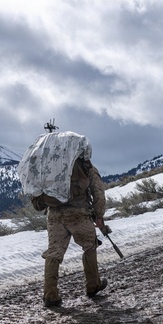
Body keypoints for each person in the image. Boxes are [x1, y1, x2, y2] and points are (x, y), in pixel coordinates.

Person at [17, 130, 108, 307]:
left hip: (54, 215)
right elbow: (98, 192)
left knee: (54, 252)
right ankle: (93, 285)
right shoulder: (86, 166)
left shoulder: (48, 169)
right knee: (89, 245)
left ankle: (50, 294)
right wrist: (99, 216)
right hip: (79, 213)